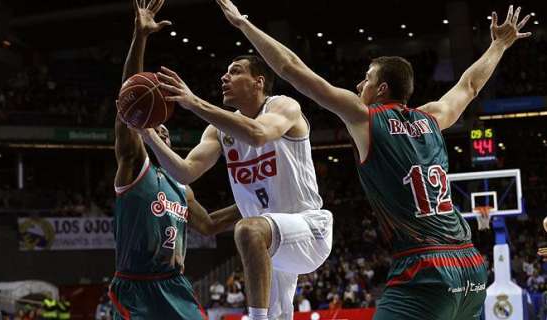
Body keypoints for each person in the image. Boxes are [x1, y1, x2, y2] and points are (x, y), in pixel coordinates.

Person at [215, 1, 531, 319]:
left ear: (381, 88)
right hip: (470, 266)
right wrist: (499, 45)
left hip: (426, 268)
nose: (358, 85)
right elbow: (471, 86)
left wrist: (244, 24)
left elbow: (291, 69)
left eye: (366, 79)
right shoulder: (434, 116)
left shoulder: (365, 118)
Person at [137, 22, 333, 320]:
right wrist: (150, 136)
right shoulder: (217, 131)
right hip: (273, 248)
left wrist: (193, 103)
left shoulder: (283, 106)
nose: (225, 76)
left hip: (308, 230)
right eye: (226, 71)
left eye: (236, 70)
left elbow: (257, 134)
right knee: (280, 313)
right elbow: (185, 172)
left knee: (248, 228)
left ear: (259, 81)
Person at [109, 0, 241, 319]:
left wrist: (264, 202)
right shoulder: (133, 168)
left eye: (164, 128)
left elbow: (208, 225)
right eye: (154, 126)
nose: (160, 131)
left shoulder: (181, 186)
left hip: (175, 285)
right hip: (135, 288)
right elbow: (130, 102)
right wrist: (140, 37)